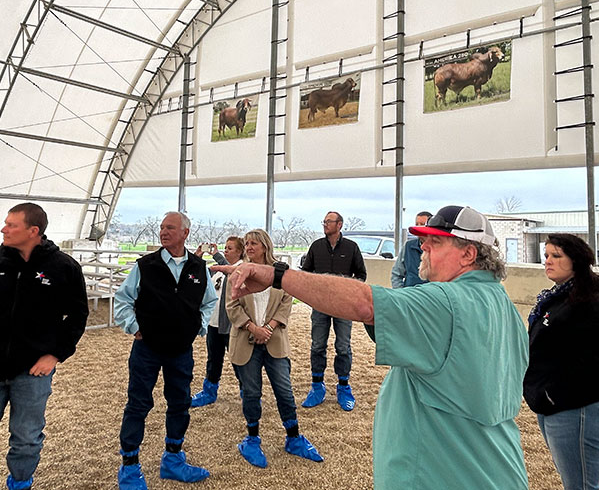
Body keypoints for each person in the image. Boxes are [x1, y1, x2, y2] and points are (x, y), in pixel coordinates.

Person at [214, 205, 529, 489]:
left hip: (442, 475)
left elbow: (366, 303)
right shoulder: (504, 306)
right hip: (498, 469)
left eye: (436, 241)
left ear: (469, 254)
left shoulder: (447, 301)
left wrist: (276, 275)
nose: (423, 246)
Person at [0, 202, 88, 490]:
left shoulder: (64, 268)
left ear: (33, 231)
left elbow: (77, 316)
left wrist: (54, 354)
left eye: (11, 225)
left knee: (26, 440)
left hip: (32, 374)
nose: (3, 229)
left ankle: (20, 483)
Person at [114, 211, 217, 488]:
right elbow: (122, 299)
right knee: (138, 404)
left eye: (170, 228)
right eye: (161, 228)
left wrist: (199, 326)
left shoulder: (199, 268)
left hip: (181, 350)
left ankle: (173, 459)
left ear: (185, 232)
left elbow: (210, 302)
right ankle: (129, 466)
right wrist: (134, 327)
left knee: (180, 403)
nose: (164, 232)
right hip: (146, 349)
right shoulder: (145, 265)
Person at [523, 234, 599, 490]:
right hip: (554, 405)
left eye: (556, 256)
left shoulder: (594, 307)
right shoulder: (557, 298)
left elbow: (598, 369)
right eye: (546, 256)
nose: (548, 262)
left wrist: (552, 396)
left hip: (579, 407)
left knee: (581, 486)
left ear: (577, 261)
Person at [226, 229, 323, 468]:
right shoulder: (238, 272)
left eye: (253, 244)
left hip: (274, 341)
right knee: (251, 393)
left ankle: (293, 438)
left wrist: (268, 328)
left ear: (265, 246)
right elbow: (232, 306)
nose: (248, 247)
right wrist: (252, 328)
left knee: (284, 390)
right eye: (247, 243)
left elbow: (286, 302)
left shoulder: (281, 273)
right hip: (245, 340)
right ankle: (252, 439)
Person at [300, 211, 367, 411]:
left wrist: (348, 291)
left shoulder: (351, 248)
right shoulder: (316, 246)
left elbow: (361, 274)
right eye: (324, 221)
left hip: (343, 306)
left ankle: (344, 386)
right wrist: (313, 292)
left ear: (339, 225)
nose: (325, 225)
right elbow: (306, 273)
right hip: (320, 305)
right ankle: (317, 385)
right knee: (317, 344)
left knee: (343, 346)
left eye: (328, 222)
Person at [190, 237, 245, 407]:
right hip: (214, 322)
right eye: (225, 248)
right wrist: (196, 258)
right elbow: (196, 278)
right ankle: (209, 391)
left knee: (238, 360)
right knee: (213, 358)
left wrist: (217, 255)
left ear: (239, 252)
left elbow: (233, 276)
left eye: (230, 248)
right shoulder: (219, 270)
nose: (226, 251)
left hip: (233, 324)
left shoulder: (242, 269)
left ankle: (248, 392)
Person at [390, 210, 433, 288]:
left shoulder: (438, 249)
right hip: (409, 296)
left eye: (422, 224)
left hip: (431, 296)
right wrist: (400, 294)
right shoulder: (408, 246)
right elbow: (396, 274)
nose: (418, 227)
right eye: (417, 224)